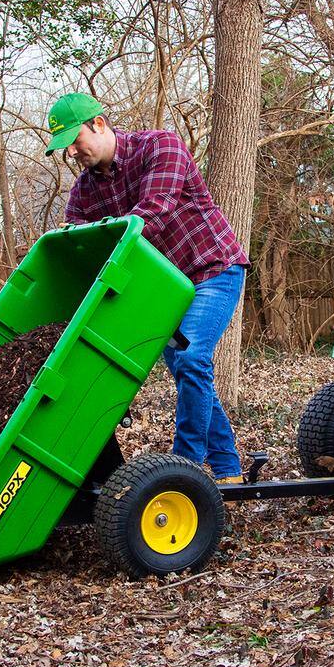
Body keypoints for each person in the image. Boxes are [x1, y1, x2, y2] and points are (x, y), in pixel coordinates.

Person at [45, 91, 249, 484]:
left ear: (99, 124)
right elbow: (76, 244)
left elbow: (153, 212)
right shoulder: (84, 191)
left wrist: (104, 242)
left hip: (211, 270)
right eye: (65, 147)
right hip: (164, 292)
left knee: (191, 360)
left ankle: (183, 469)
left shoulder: (161, 146)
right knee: (190, 370)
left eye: (75, 140)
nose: (72, 152)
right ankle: (227, 469)